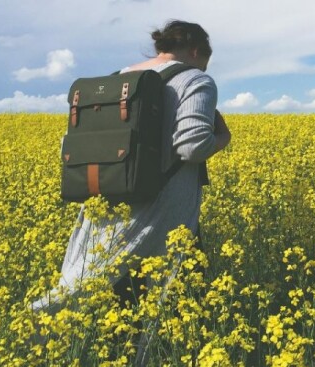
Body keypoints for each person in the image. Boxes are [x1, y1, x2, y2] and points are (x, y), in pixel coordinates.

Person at [30, 19, 231, 327]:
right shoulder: (194, 80)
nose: (204, 69)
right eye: (204, 62)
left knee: (111, 310)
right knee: (178, 313)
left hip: (105, 206)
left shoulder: (117, 79)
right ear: (196, 51)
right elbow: (192, 146)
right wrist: (222, 139)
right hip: (164, 213)